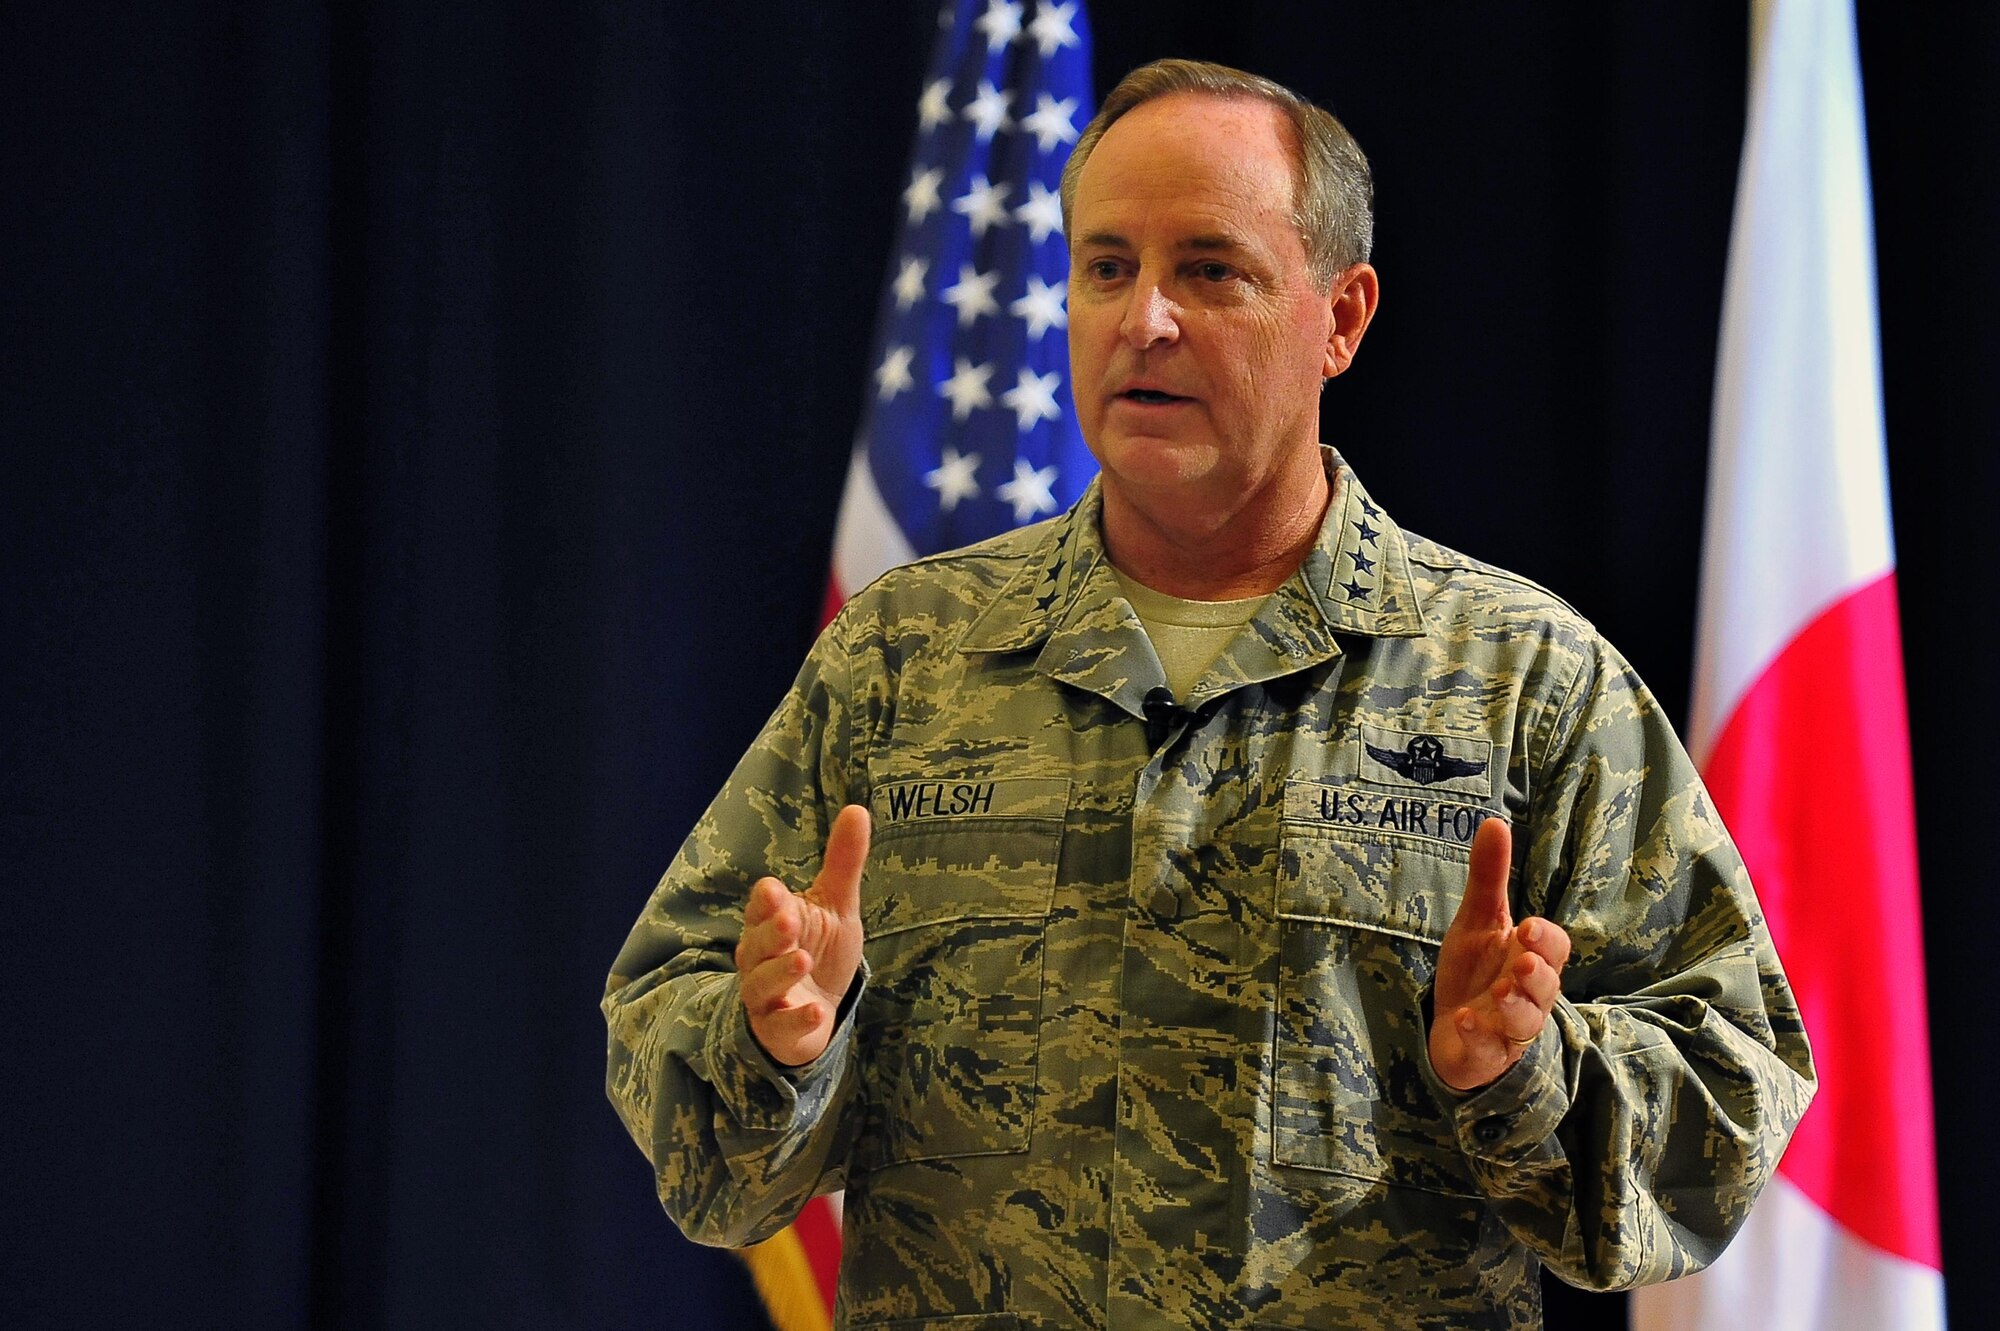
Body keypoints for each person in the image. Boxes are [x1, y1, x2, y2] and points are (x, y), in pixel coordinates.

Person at [603, 59, 1814, 1330]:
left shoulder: (1521, 680)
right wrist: (778, 1040)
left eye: (1209, 270)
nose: (1144, 321)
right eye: (1105, 267)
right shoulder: (904, 656)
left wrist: (1521, 1072)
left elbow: (1729, 1092)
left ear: (1339, 318)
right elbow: (684, 1082)